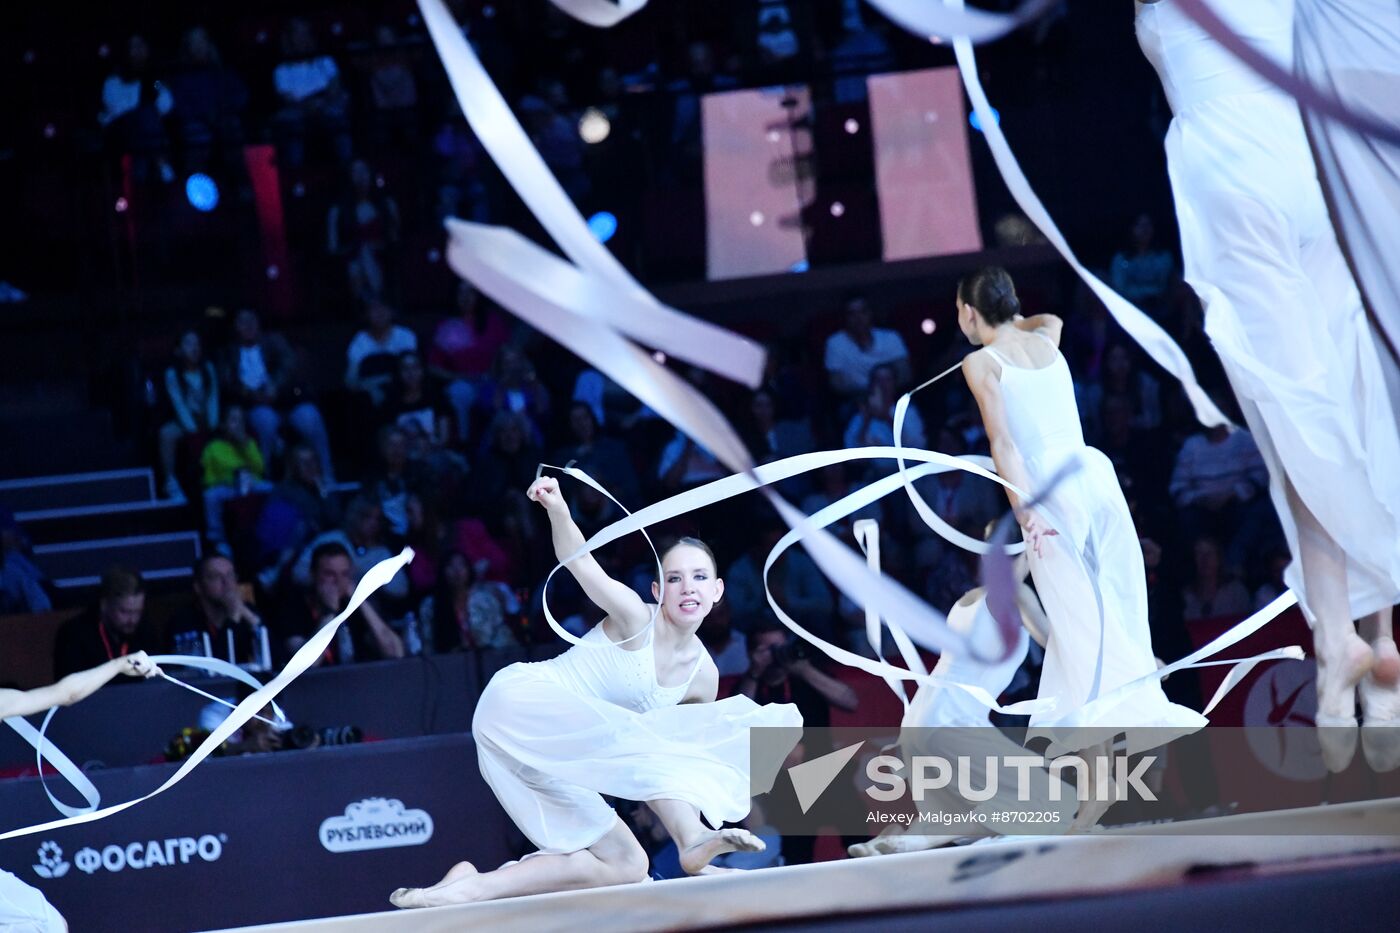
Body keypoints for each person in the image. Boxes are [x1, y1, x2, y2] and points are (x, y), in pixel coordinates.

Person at [1136, 0, 1400, 771]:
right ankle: (1371, 641)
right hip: (1315, 170)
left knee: (1297, 420)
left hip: (1238, 178)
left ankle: (1337, 640)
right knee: (1342, 406)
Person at [389, 477, 800, 908]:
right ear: (658, 592)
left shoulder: (703, 678)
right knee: (654, 742)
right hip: (521, 703)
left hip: (552, 756)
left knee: (627, 864)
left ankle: (469, 886)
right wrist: (557, 508)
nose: (688, 587)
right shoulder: (634, 618)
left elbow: (675, 764)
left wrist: (682, 816)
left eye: (699, 577)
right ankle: (692, 842)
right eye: (675, 579)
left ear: (717, 592)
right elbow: (580, 563)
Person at [956, 266, 1205, 764]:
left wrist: (1024, 507)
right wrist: (1012, 318)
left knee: (1076, 615)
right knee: (1115, 591)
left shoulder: (979, 363)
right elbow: (1048, 317)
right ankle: (1112, 720)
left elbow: (1002, 442)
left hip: (1047, 487)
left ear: (967, 312)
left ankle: (1141, 702)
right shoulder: (1046, 335)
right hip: (1091, 472)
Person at [272, 542, 404, 665]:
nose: (338, 581)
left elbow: (395, 652)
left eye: (345, 574)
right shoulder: (294, 607)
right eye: (330, 574)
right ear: (313, 575)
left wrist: (360, 599)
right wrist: (329, 612)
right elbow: (305, 664)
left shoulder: (355, 607)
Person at [52, 566, 156, 679]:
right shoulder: (74, 634)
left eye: (137, 612)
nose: (132, 620)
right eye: (124, 612)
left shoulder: (146, 632)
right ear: (104, 604)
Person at [166, 554, 268, 669]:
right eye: (216, 577)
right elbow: (217, 667)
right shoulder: (183, 621)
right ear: (198, 587)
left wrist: (251, 619)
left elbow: (277, 661)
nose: (227, 583)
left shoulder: (248, 612)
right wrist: (232, 619)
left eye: (230, 575)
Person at [158, 328, 220, 502]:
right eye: (189, 343)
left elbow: (213, 398)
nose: (194, 348)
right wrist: (193, 429)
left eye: (197, 343)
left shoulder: (208, 368)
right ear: (178, 349)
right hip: (185, 421)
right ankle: (171, 483)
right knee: (166, 434)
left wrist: (212, 424)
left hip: (208, 420)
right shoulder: (172, 374)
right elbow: (179, 404)